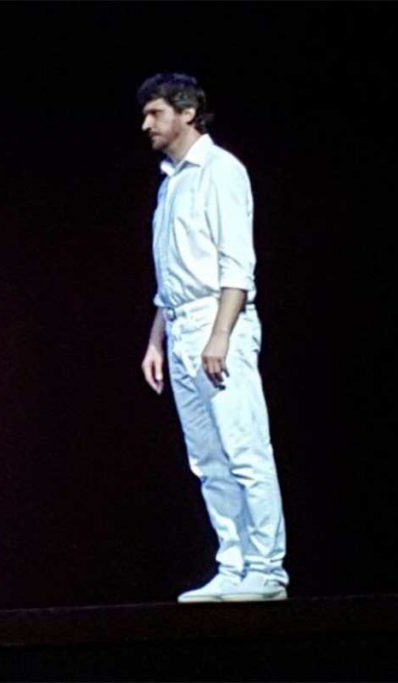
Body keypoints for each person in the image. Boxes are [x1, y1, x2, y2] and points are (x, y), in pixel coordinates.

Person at [137, 73, 289, 602]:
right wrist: (156, 340)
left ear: (185, 112)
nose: (146, 124)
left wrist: (220, 335)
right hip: (180, 325)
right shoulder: (170, 181)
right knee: (206, 459)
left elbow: (236, 266)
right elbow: (169, 275)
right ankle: (234, 562)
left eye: (155, 113)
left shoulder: (222, 172)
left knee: (245, 448)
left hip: (215, 322)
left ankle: (268, 569)